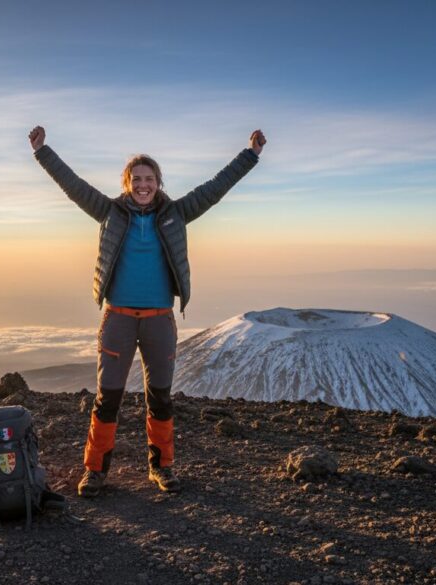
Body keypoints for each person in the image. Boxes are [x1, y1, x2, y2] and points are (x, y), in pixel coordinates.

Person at [29, 125, 266, 497]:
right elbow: (74, 186)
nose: (143, 185)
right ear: (127, 183)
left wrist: (249, 155)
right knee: (108, 397)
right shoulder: (109, 211)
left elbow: (215, 188)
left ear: (158, 182)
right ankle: (95, 470)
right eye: (136, 179)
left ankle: (162, 467)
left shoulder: (176, 213)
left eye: (149, 179)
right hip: (118, 319)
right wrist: (43, 152)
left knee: (160, 397)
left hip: (159, 321)